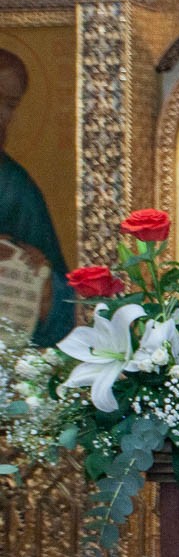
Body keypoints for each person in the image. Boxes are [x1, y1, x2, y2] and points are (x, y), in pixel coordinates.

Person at [0, 50, 71, 346]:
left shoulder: (15, 187)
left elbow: (67, 304)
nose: (2, 115)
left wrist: (39, 277)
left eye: (10, 105)